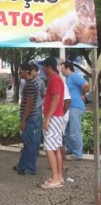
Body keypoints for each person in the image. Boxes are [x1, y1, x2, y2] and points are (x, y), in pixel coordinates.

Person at [40, 57, 65, 189]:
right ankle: (58, 176)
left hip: (54, 117)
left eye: (43, 66)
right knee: (55, 147)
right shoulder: (55, 79)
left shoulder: (54, 79)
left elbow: (56, 98)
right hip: (56, 116)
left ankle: (56, 177)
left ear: (48, 66)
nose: (42, 69)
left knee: (49, 148)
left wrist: (48, 118)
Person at [13, 63, 40, 175]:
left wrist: (23, 120)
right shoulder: (32, 82)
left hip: (29, 118)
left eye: (20, 72)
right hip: (31, 116)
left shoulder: (29, 85)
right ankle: (22, 165)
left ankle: (30, 167)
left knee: (30, 144)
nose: (19, 74)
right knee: (27, 143)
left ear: (26, 72)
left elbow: (29, 103)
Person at [60, 61, 89, 161]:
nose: (61, 70)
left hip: (75, 107)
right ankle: (71, 149)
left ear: (68, 68)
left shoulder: (74, 76)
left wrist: (83, 94)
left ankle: (77, 154)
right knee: (68, 130)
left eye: (62, 68)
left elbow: (85, 84)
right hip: (70, 107)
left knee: (74, 131)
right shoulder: (68, 78)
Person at [31, 64, 46, 153]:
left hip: (37, 107)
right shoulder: (23, 81)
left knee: (37, 128)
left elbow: (43, 94)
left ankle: (35, 147)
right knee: (28, 128)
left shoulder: (41, 82)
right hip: (28, 108)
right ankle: (28, 146)